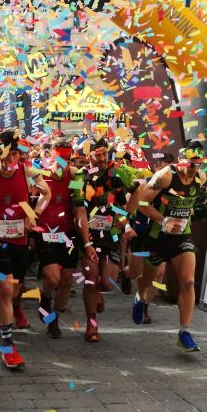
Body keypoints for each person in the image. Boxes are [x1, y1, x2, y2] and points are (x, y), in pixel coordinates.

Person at [0, 130, 51, 368]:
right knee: (7, 288)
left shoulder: (27, 171)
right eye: (6, 154)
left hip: (19, 241)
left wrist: (34, 214)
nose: (10, 159)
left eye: (14, 154)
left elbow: (47, 193)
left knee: (14, 289)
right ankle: (8, 346)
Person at [133, 140, 207, 352]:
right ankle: (139, 298)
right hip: (157, 237)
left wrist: (186, 213)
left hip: (182, 237)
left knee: (188, 282)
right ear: (181, 159)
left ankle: (184, 332)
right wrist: (164, 220)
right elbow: (142, 204)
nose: (194, 168)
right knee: (148, 279)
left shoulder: (201, 177)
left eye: (198, 164)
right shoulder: (165, 175)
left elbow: (189, 202)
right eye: (191, 163)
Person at [73, 138, 139, 342]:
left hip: (112, 234)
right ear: (88, 156)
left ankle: (98, 293)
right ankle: (91, 324)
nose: (102, 158)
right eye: (97, 155)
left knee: (107, 283)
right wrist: (86, 243)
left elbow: (137, 190)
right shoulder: (79, 177)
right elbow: (79, 211)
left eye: (105, 154)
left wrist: (127, 216)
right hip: (88, 233)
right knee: (90, 279)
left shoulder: (119, 171)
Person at [33, 139, 82, 338]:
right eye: (61, 158)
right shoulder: (40, 175)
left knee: (67, 280)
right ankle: (45, 298)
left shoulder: (75, 175)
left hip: (67, 232)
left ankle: (55, 316)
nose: (65, 163)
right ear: (52, 155)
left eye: (68, 159)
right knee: (53, 277)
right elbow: (28, 200)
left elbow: (79, 205)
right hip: (44, 231)